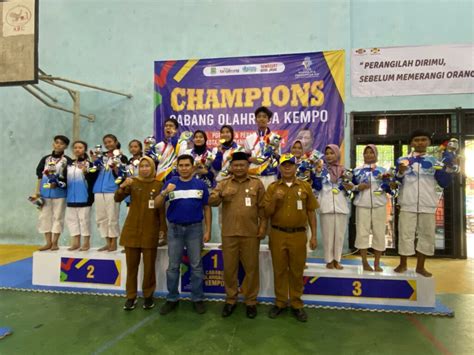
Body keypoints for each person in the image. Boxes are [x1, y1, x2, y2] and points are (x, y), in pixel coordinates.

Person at [209, 152, 266, 319]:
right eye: (236, 165)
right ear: (231, 167)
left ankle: (250, 301)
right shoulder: (224, 183)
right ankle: (230, 299)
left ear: (248, 167)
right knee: (229, 269)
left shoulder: (257, 184)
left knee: (251, 269)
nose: (239, 168)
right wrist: (220, 194)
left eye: (242, 165)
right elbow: (211, 201)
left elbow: (263, 208)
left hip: (251, 234)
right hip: (229, 233)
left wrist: (263, 227)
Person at [264, 153, 318, 322]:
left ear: (296, 167)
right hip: (277, 233)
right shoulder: (272, 187)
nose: (287, 167)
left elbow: (311, 212)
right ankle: (280, 302)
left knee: (296, 270)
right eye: (284, 165)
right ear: (279, 167)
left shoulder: (305, 187)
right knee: (279, 270)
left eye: (290, 165)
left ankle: (296, 303)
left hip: (298, 235)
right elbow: (266, 213)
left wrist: (314, 235)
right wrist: (274, 199)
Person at [155, 154, 211, 315]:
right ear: (177, 167)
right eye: (181, 165)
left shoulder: (200, 184)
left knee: (196, 265)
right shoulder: (170, 183)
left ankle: (197, 298)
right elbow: (156, 204)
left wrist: (208, 230)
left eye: (187, 165)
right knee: (173, 266)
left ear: (193, 167)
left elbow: (207, 207)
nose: (184, 168)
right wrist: (165, 192)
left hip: (195, 230)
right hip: (175, 230)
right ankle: (172, 298)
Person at [394, 130, 454, 277]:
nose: (420, 142)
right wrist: (400, 172)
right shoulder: (402, 160)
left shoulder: (436, 162)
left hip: (428, 204)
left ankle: (420, 266)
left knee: (426, 235)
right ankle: (403, 264)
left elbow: (444, 182)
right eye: (416, 140)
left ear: (428, 142)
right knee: (405, 234)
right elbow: (396, 182)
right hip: (407, 203)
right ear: (411, 143)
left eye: (423, 139)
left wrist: (449, 168)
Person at [115, 156, 167, 310]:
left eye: (147, 166)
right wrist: (123, 185)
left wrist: (163, 229)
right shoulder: (132, 182)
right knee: (132, 268)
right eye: (142, 166)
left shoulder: (159, 185)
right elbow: (117, 198)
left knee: (149, 267)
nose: (144, 169)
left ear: (153, 168)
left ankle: (148, 296)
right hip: (132, 231)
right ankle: (131, 297)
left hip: (150, 231)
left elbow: (161, 211)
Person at [313, 144, 351, 270]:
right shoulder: (320, 169)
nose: (329, 156)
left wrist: (348, 184)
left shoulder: (344, 170)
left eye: (332, 153)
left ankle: (337, 260)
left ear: (337, 154)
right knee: (328, 236)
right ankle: (329, 260)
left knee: (339, 235)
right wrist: (317, 174)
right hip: (326, 205)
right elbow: (317, 187)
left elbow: (349, 190)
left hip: (341, 206)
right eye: (327, 153)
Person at [352, 145, 388, 271]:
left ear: (376, 154)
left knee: (379, 233)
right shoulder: (356, 171)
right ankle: (364, 262)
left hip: (379, 205)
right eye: (366, 153)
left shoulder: (384, 171)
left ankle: (377, 262)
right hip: (362, 205)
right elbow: (350, 187)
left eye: (371, 152)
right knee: (362, 233)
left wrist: (388, 184)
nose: (368, 155)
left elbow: (389, 187)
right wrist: (357, 187)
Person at [34, 135, 72, 251]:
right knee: (44, 217)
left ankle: (55, 242)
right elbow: (39, 176)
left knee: (58, 217)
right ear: (53, 144)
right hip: (45, 193)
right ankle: (48, 242)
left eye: (61, 143)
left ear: (65, 146)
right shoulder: (45, 159)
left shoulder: (67, 160)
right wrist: (37, 191)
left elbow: (69, 178)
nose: (58, 145)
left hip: (60, 193)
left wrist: (60, 183)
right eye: (56, 142)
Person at [92, 134, 128, 252]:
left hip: (112, 189)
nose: (108, 144)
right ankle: (107, 242)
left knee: (112, 217)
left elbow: (122, 174)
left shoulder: (122, 157)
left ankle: (114, 242)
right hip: (98, 189)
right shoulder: (101, 157)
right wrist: (93, 162)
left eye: (110, 142)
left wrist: (116, 166)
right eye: (105, 143)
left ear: (116, 141)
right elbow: (94, 171)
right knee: (101, 218)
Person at [65, 141, 97, 251]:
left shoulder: (90, 164)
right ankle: (75, 243)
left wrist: (86, 173)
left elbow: (93, 179)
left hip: (84, 197)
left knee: (84, 221)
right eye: (75, 148)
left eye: (80, 147)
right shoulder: (69, 165)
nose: (77, 149)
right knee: (72, 221)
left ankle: (86, 243)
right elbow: (64, 180)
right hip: (70, 198)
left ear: (85, 149)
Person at [245, 106, 280, 189]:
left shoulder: (275, 138)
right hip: (253, 174)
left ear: (268, 120)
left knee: (269, 200)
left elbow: (278, 157)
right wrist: (251, 159)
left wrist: (274, 155)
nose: (262, 119)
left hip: (270, 175)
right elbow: (246, 157)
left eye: (264, 117)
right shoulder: (249, 138)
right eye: (259, 117)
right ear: (255, 120)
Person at [154, 118, 189, 182]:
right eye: (166, 126)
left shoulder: (182, 143)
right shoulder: (159, 145)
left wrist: (174, 143)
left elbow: (182, 158)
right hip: (160, 177)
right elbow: (156, 161)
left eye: (171, 126)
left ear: (176, 130)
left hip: (174, 176)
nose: (168, 127)